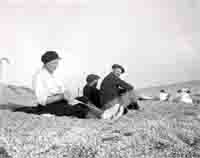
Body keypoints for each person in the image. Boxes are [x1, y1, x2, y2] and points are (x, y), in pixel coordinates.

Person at [26, 51, 89, 118]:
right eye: (54, 63)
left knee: (84, 99)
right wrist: (61, 96)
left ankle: (97, 113)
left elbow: (62, 90)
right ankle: (97, 116)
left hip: (61, 102)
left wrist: (67, 94)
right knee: (80, 110)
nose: (56, 66)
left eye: (57, 63)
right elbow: (42, 101)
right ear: (47, 63)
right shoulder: (39, 76)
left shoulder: (53, 75)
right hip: (49, 106)